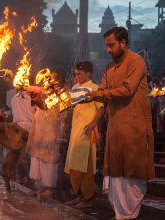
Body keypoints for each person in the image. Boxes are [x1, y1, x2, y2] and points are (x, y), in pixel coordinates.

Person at [88, 27, 155, 220]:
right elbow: (102, 92)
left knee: (132, 174)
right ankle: (121, 215)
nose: (108, 50)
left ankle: (128, 215)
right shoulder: (109, 68)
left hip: (134, 128)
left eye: (111, 45)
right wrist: (84, 98)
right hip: (115, 129)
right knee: (117, 175)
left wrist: (98, 94)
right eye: (106, 46)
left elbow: (126, 90)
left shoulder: (136, 61)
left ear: (123, 42)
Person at [64, 61, 104, 208]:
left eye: (80, 73)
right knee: (74, 166)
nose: (77, 76)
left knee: (85, 166)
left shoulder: (95, 88)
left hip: (87, 132)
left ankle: (88, 197)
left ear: (88, 73)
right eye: (76, 73)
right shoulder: (76, 89)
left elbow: (101, 109)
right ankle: (78, 194)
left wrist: (94, 123)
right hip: (76, 132)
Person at [0, 115, 29, 192]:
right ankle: (8, 190)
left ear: (3, 122)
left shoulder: (12, 126)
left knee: (22, 161)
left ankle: (29, 180)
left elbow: (25, 134)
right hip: (14, 150)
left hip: (24, 146)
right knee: (5, 166)